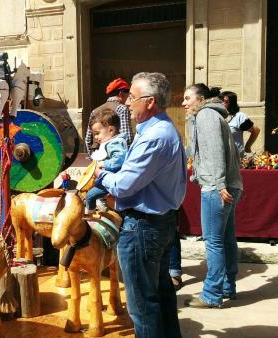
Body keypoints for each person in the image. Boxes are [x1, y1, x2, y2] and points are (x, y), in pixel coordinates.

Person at [94, 72, 186, 338]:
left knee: (142, 305)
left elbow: (123, 185)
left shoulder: (154, 136)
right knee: (160, 294)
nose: (127, 104)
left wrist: (100, 174)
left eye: (132, 98)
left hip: (143, 226)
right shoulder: (162, 129)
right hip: (159, 222)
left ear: (149, 101)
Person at [182, 83, 243, 309]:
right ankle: (228, 287)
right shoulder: (214, 115)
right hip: (228, 185)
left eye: (188, 98)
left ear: (201, 99)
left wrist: (218, 183)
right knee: (226, 239)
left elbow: (215, 150)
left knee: (214, 242)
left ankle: (211, 294)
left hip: (216, 187)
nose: (184, 102)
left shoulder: (206, 115)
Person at [85, 109, 127, 213]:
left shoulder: (115, 143)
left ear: (111, 130)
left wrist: (104, 163)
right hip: (109, 180)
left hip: (112, 180)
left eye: (97, 133)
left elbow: (119, 159)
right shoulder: (109, 142)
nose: (95, 137)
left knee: (90, 196)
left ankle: (89, 214)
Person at [85, 78, 133, 155]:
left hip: (97, 155)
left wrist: (92, 156)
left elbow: (88, 139)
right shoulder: (122, 109)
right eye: (129, 94)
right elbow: (127, 137)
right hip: (116, 155)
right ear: (121, 94)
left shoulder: (94, 111)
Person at [219, 90, 261, 159]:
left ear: (231, 103)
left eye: (225, 101)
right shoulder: (215, 116)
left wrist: (247, 147)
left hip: (235, 159)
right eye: (221, 101)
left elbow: (256, 130)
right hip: (219, 158)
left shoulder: (239, 117)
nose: (222, 103)